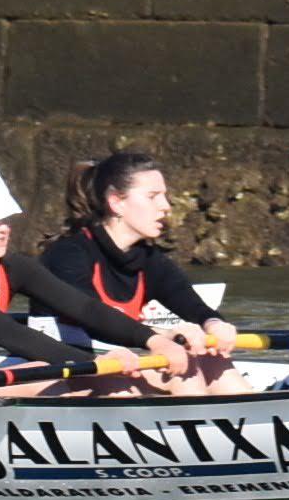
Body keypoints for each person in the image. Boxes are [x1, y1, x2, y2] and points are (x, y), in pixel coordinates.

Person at [0, 157, 156, 372]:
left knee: (108, 379)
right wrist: (92, 363)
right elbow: (4, 331)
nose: (2, 229)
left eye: (4, 219)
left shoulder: (12, 266)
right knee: (52, 373)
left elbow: (84, 308)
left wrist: (152, 339)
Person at [33, 149, 240, 367]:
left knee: (216, 364)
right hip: (61, 363)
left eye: (164, 196)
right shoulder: (68, 254)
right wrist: (163, 336)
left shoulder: (150, 260)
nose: (166, 207)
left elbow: (192, 306)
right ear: (116, 202)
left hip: (117, 361)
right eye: (153, 197)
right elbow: (93, 317)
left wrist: (214, 323)